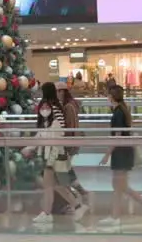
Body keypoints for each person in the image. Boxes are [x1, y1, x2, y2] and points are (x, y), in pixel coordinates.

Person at [98, 85, 142, 228]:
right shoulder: (122, 111)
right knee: (120, 186)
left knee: (119, 185)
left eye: (108, 95)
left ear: (112, 96)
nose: (107, 98)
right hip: (123, 151)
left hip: (121, 152)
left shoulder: (118, 113)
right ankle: (117, 216)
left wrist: (107, 154)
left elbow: (118, 136)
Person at [33, 82, 84, 226]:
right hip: (54, 149)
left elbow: (50, 130)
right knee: (51, 184)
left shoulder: (50, 108)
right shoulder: (57, 107)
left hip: (53, 151)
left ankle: (75, 206)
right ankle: (48, 212)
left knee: (52, 183)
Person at [57, 84, 89, 213]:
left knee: (63, 173)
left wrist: (68, 144)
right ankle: (80, 192)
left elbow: (70, 127)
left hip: (69, 144)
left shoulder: (68, 107)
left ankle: (75, 198)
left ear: (62, 92)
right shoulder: (71, 105)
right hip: (71, 144)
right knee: (67, 170)